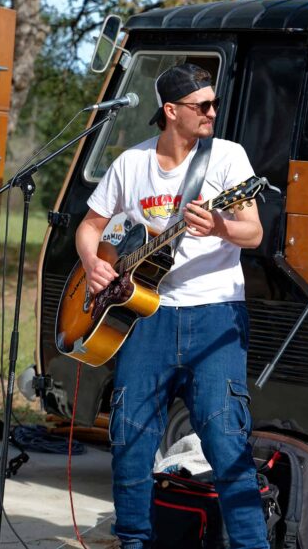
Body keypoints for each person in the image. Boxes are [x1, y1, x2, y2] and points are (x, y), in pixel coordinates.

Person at [75, 63, 269, 549]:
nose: (212, 112)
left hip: (215, 314)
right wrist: (94, 266)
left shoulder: (227, 156)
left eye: (214, 103)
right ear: (170, 110)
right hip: (146, 318)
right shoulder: (130, 164)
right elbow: (89, 227)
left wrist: (219, 227)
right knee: (131, 440)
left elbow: (254, 231)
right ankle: (135, 541)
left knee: (225, 441)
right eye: (202, 105)